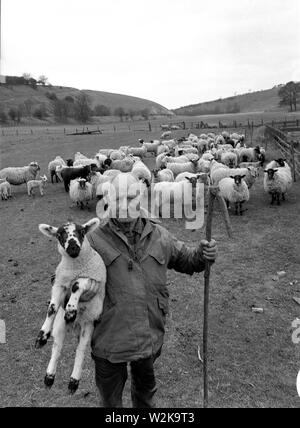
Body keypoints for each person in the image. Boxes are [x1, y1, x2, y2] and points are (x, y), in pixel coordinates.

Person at [82, 172, 217, 408]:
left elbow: (186, 259)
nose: (124, 206)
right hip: (109, 339)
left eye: (131, 197)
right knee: (110, 403)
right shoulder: (92, 240)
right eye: (118, 198)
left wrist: (202, 255)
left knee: (145, 397)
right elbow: (68, 281)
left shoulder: (158, 235)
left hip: (148, 336)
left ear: (141, 198)